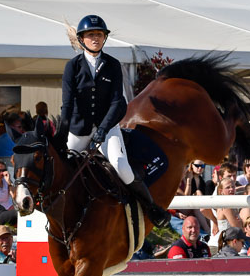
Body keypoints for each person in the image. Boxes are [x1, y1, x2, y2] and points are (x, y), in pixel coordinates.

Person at [61, 14, 169, 227]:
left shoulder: (112, 65)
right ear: (82, 39)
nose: (96, 39)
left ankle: (150, 209)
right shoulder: (72, 67)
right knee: (64, 170)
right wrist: (62, 133)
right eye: (91, 35)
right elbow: (67, 104)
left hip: (108, 128)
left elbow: (117, 102)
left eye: (99, 35)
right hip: (78, 129)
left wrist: (103, 129)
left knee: (121, 166)